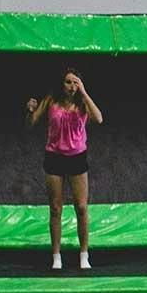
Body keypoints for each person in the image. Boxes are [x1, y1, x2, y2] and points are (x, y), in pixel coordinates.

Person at [24, 67, 102, 271]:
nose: (72, 86)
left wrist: (84, 92)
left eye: (76, 82)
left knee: (82, 208)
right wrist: (30, 111)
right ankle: (56, 256)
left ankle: (84, 254)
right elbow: (31, 123)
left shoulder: (83, 102)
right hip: (54, 157)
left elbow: (99, 119)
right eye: (69, 82)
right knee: (56, 208)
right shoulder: (51, 99)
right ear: (62, 84)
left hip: (77, 158)